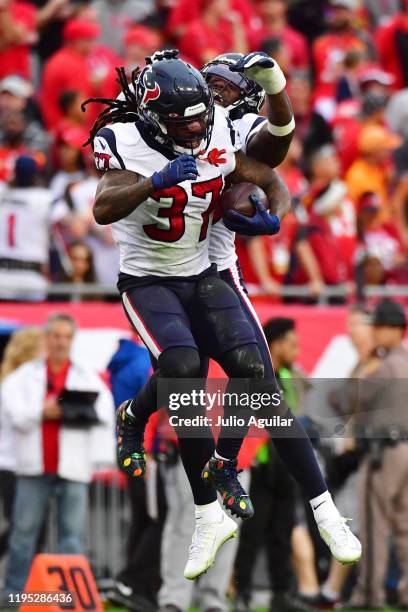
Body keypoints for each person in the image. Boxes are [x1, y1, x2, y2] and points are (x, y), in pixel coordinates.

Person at [87, 50, 290, 580]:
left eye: (203, 115)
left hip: (202, 271)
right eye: (185, 120)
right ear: (155, 118)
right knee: (181, 368)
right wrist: (155, 181)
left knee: (246, 367)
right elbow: (104, 207)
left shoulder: (215, 125)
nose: (198, 126)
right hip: (146, 275)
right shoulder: (123, 138)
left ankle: (213, 462)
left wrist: (276, 219)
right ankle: (146, 431)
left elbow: (271, 173)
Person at [1, 312, 115, 594]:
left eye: (65, 337)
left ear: (72, 340)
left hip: (73, 466)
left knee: (71, 538)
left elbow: (103, 411)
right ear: (46, 338)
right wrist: (42, 411)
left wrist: (73, 410)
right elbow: (14, 414)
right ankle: (14, 595)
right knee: (23, 536)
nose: (60, 342)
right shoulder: (23, 376)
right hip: (32, 467)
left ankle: (70, 598)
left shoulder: (85, 374)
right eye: (55, 336)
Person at [234, 317, 316, 612]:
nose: (297, 351)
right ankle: (241, 592)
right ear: (276, 344)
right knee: (252, 534)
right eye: (292, 345)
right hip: (262, 466)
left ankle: (281, 594)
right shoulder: (259, 377)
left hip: (285, 469)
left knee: (282, 533)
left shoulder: (290, 378)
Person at [348, 299, 408, 610]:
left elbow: (347, 397)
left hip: (385, 453)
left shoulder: (387, 366)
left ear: (392, 329)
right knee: (404, 527)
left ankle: (370, 595)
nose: (374, 332)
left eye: (379, 327)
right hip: (405, 452)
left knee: (374, 526)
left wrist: (362, 361)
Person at [0, 327, 45, 559]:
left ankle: (29, 584)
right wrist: (45, 411)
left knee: (29, 529)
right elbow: (20, 420)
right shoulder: (14, 384)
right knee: (24, 529)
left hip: (26, 463)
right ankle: (23, 586)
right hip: (13, 464)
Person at [0, 155, 55, 301]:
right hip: (31, 276)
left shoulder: (1, 192)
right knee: (33, 323)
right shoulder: (45, 198)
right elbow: (76, 229)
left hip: (2, 275)